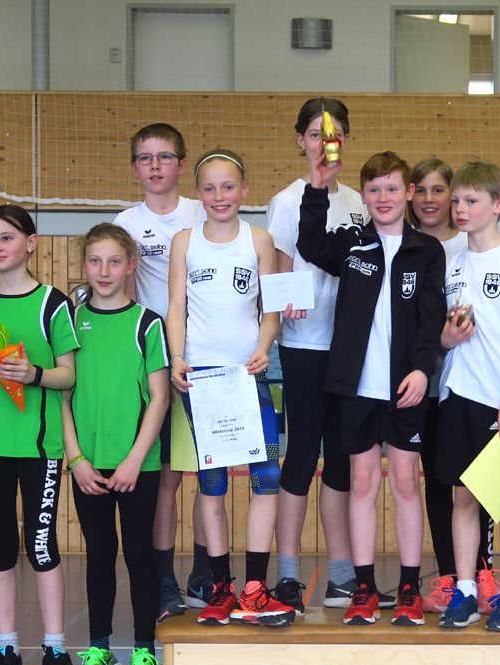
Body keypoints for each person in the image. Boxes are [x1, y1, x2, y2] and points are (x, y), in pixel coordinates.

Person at [296, 149, 445, 625]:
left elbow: (431, 318)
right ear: (363, 196)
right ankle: (363, 587)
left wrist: (422, 370)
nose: (384, 197)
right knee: (361, 483)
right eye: (375, 189)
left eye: (393, 188)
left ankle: (409, 587)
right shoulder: (351, 243)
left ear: (409, 193)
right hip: (356, 390)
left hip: (406, 388)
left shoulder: (427, 250)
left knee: (405, 482)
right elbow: (309, 244)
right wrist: (317, 185)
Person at [167, 149, 293, 626]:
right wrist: (177, 356)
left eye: (228, 187)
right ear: (198, 193)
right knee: (213, 484)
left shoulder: (258, 240)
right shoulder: (185, 242)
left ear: (244, 190)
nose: (219, 196)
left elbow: (271, 308)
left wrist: (264, 346)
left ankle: (255, 588)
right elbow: (176, 306)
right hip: (202, 380)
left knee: (267, 477)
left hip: (247, 374)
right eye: (209, 188)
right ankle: (220, 588)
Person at [0, 204, 79, 665]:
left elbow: (68, 375)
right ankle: (7, 651)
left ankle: (55, 651)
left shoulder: (52, 303)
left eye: (6, 237)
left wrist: (33, 374)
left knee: (41, 545)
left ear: (31, 243)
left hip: (40, 448)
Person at [265, 98, 365, 612]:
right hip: (303, 345)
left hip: (349, 349)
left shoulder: (359, 201)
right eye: (314, 134)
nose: (325, 142)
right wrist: (287, 305)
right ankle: (287, 574)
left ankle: (342, 575)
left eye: (334, 133)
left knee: (342, 459)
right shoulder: (287, 201)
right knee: (302, 455)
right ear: (301, 141)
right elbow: (280, 268)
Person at [435, 160, 500, 633]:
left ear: (499, 205)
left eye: (471, 201)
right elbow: (444, 335)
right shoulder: (453, 263)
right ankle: (465, 590)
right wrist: (448, 336)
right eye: (457, 200)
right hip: (457, 393)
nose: (460, 208)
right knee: (462, 497)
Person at [64, 224, 170, 665]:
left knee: (139, 554)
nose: (103, 271)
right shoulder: (69, 323)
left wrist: (134, 460)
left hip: (136, 465)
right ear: (84, 265)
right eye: (95, 261)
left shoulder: (147, 323)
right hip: (87, 464)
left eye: (113, 261)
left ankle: (145, 651)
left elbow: (160, 397)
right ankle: (99, 648)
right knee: (99, 553)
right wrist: (76, 460)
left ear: (131, 266)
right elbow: (61, 397)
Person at [114, 122, 206, 617]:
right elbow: (122, 296)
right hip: (156, 361)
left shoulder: (202, 212)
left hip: (206, 356)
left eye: (164, 156)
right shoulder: (126, 223)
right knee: (167, 476)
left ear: (182, 164)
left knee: (209, 472)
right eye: (145, 158)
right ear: (134, 167)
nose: (155, 166)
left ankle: (206, 573)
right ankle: (165, 579)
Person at [408, 157, 494, 612]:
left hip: (470, 388)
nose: (430, 199)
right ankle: (449, 576)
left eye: (439, 190)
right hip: (424, 387)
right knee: (440, 483)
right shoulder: (406, 247)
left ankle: (483, 572)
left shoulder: (473, 244)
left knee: (481, 485)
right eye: (420, 190)